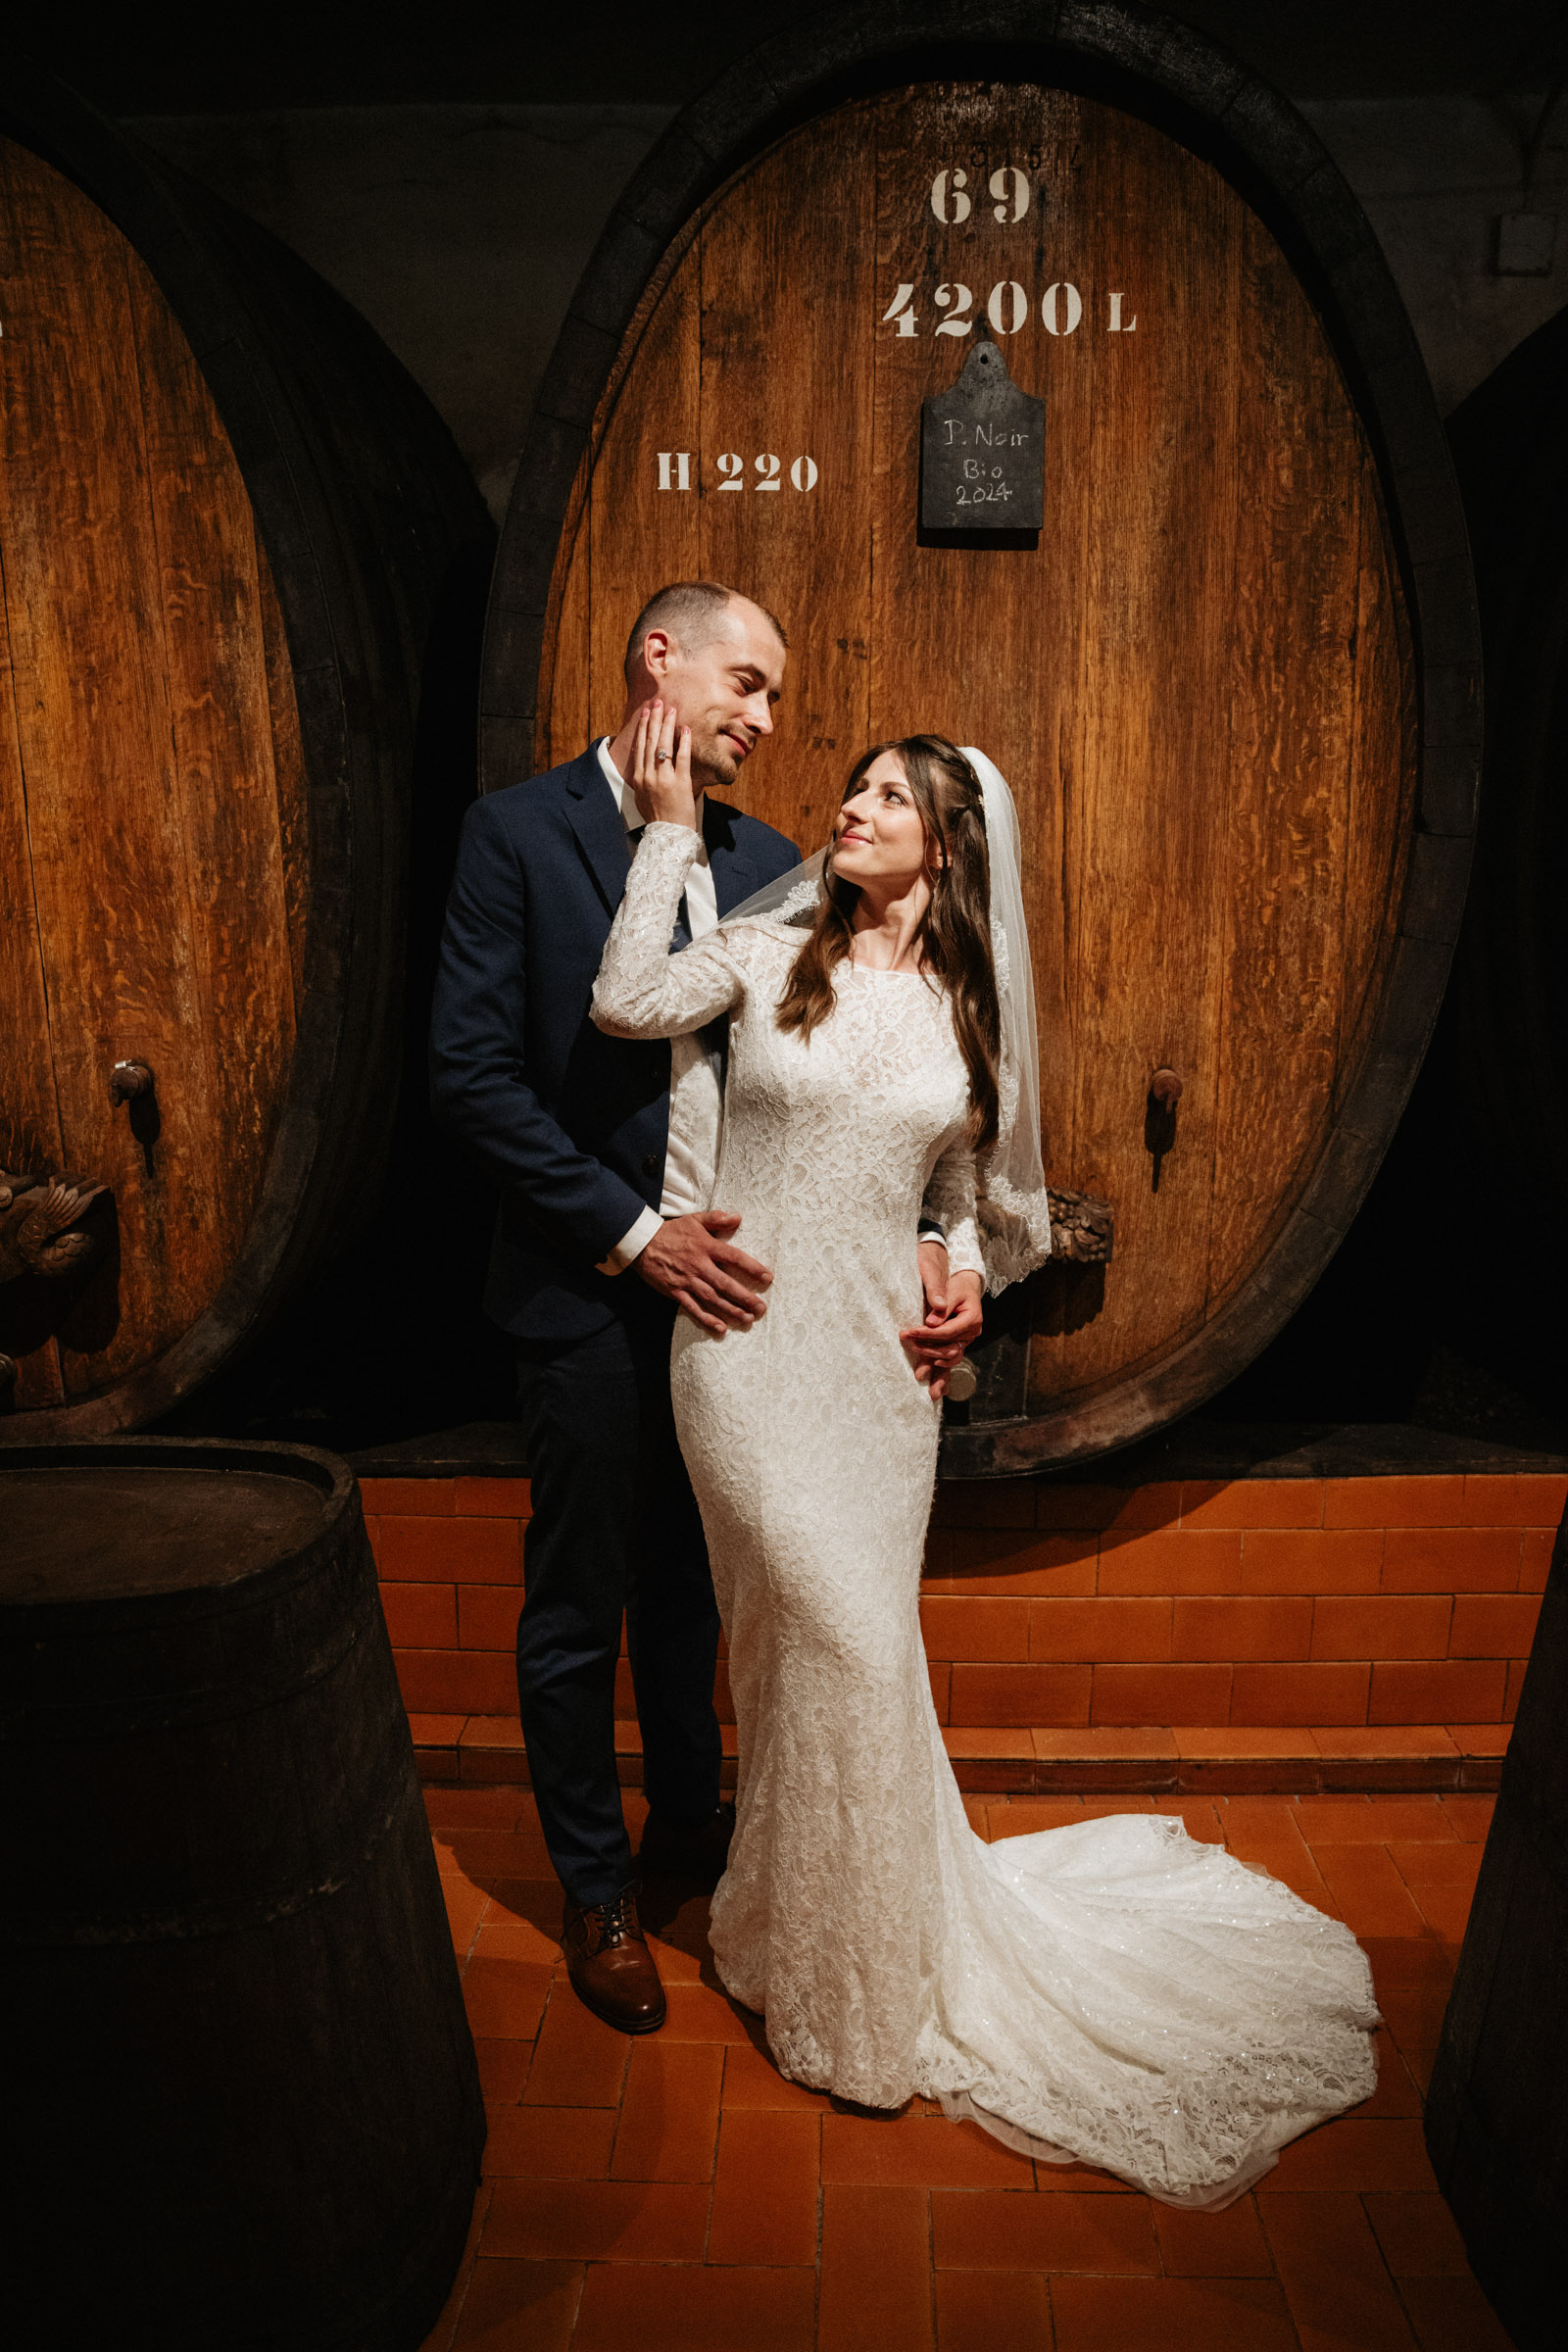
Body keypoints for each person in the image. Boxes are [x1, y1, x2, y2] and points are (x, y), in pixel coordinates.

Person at [590, 710, 1381, 2208]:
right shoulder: (767, 955)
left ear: (946, 848)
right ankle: (834, 1975)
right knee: (822, 1640)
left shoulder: (967, 1007)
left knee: (844, 1653)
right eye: (856, 789)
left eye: (889, 798)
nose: (853, 807)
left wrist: (956, 1269)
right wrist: (672, 834)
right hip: (746, 1354)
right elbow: (626, 999)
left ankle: (803, 1939)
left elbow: (956, 1183)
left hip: (886, 1375)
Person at [428, 582, 805, 2034]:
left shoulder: (768, 859)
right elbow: (473, 1079)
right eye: (747, 683)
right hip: (584, 1289)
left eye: (773, 699)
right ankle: (596, 1889)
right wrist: (635, 1238)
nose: (764, 720)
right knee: (583, 1600)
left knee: (694, 1586)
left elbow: (803, 1078)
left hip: (730, 1300)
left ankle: (689, 1828)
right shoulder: (518, 833)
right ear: (662, 657)